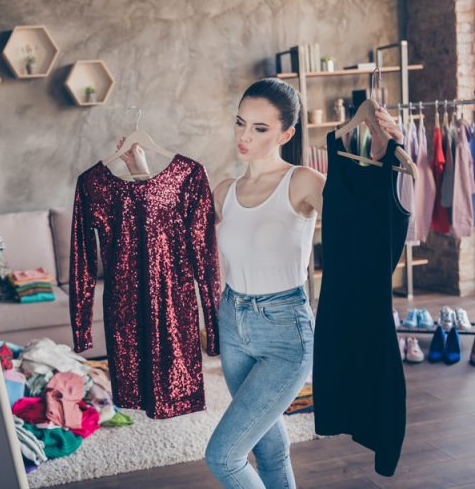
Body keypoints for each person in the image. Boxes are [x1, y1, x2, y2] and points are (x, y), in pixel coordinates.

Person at [119, 77, 402, 488]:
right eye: (240, 123)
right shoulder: (224, 191)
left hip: (285, 333)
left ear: (287, 133)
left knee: (223, 456)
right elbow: (173, 236)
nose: (244, 136)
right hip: (232, 325)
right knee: (268, 449)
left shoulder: (303, 181)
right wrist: (143, 174)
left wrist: (380, 156)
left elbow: (359, 220)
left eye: (260, 128)